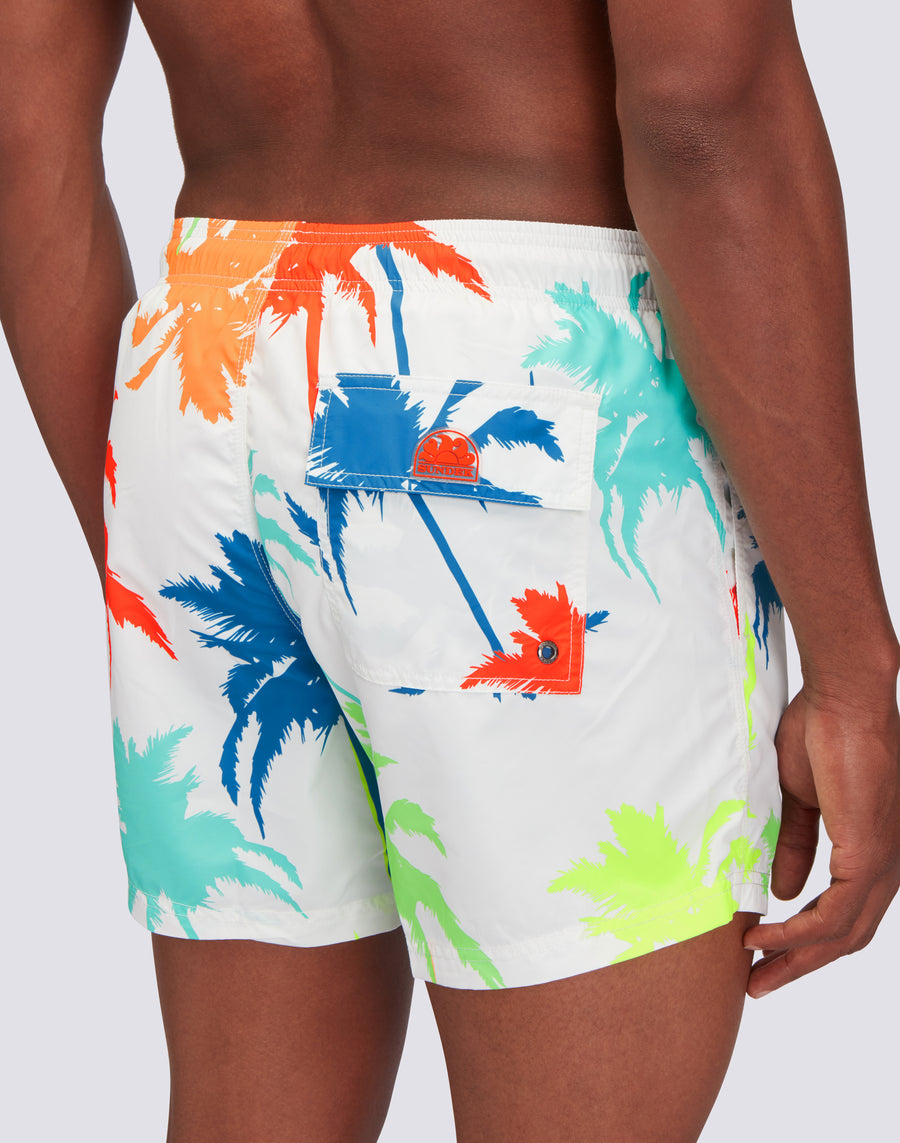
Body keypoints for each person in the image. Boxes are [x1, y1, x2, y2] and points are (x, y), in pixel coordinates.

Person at [2, 1, 898, 1140]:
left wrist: (153, 550)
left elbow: (21, 135)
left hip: (200, 364)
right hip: (511, 389)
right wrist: (855, 672)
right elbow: (701, 108)